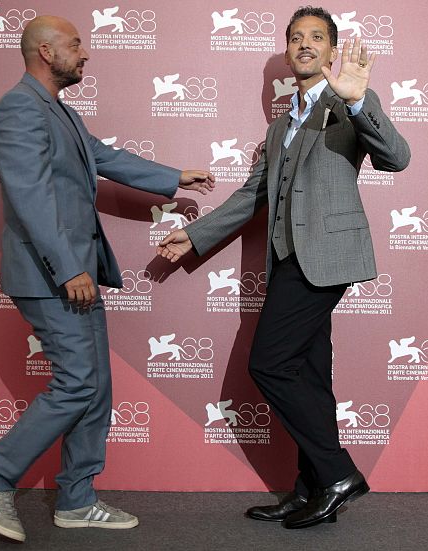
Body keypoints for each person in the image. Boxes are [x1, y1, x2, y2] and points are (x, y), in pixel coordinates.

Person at [0, 15, 214, 542]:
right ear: (46, 52)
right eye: (76, 45)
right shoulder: (18, 109)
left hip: (74, 272)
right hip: (51, 274)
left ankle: (76, 499)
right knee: (77, 383)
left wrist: (172, 176)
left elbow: (104, 157)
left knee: (94, 388)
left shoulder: (61, 113)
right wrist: (69, 266)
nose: (86, 53)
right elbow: (30, 198)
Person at [157, 6, 409, 529]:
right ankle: (310, 488)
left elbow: (397, 157)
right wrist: (198, 234)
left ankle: (339, 474)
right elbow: (255, 194)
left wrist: (359, 98)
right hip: (289, 260)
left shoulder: (347, 106)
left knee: (268, 364)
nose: (305, 45)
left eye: (317, 37)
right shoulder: (280, 126)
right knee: (310, 377)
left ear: (332, 50)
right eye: (296, 38)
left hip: (329, 257)